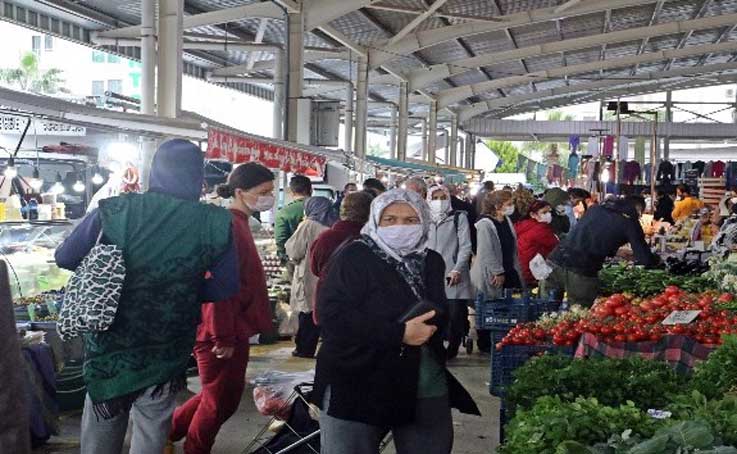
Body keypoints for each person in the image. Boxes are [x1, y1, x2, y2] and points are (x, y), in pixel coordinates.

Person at [55, 139, 237, 454]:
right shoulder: (215, 221)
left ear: (155, 171)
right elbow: (226, 285)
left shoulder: (115, 209)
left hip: (110, 346)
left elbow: (65, 257)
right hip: (167, 347)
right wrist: (182, 290)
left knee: (99, 440)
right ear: (198, 175)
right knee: (151, 438)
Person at [313, 189, 480, 454]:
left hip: (421, 379)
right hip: (357, 378)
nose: (400, 226)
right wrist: (398, 332)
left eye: (410, 220)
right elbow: (333, 318)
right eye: (389, 220)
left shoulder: (431, 261)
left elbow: (438, 309)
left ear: (424, 221)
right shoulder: (353, 256)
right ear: (375, 221)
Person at [168, 163, 275, 454]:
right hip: (220, 330)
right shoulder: (228, 225)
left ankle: (170, 432)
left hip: (232, 328)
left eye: (271, 191)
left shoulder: (239, 223)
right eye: (263, 192)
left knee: (220, 397)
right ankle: (192, 447)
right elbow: (219, 284)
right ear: (240, 192)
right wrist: (222, 335)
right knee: (218, 402)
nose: (270, 197)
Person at [545, 196, 660, 307]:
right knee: (577, 316)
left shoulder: (596, 209)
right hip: (581, 269)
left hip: (554, 261)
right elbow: (644, 258)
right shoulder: (630, 221)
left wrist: (615, 251)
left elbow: (592, 235)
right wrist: (657, 261)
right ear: (638, 209)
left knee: (544, 312)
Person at [470, 190, 524, 353]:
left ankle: (503, 339)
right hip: (492, 274)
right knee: (488, 308)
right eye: (509, 204)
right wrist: (498, 272)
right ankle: (485, 342)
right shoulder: (485, 224)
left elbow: (512, 247)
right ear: (497, 205)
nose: (512, 207)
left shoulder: (506, 220)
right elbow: (486, 251)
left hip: (509, 270)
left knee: (506, 307)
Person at [426, 185, 474, 359]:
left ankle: (452, 349)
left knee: (455, 315)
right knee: (434, 314)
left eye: (443, 198)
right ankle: (436, 347)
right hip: (431, 275)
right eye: (435, 198)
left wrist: (457, 268)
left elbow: (465, 246)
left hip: (454, 273)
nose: (439, 202)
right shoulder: (424, 219)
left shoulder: (459, 218)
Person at [311, 191, 374, 321]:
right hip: (365, 307)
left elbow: (315, 269)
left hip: (331, 303)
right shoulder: (374, 239)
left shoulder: (326, 237)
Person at [286, 196, 336, 358]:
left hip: (308, 276)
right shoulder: (334, 225)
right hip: (328, 278)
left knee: (307, 313)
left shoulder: (307, 225)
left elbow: (294, 251)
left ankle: (304, 349)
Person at [515, 200, 559, 287]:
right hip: (533, 272)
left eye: (549, 212)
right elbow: (556, 246)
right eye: (544, 212)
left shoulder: (523, 225)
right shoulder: (540, 229)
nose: (548, 215)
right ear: (533, 215)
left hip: (522, 269)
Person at [275, 175, 313, 264]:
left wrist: (284, 255)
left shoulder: (284, 212)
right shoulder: (323, 209)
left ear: (292, 192)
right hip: (319, 258)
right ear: (311, 190)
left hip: (295, 260)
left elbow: (281, 239)